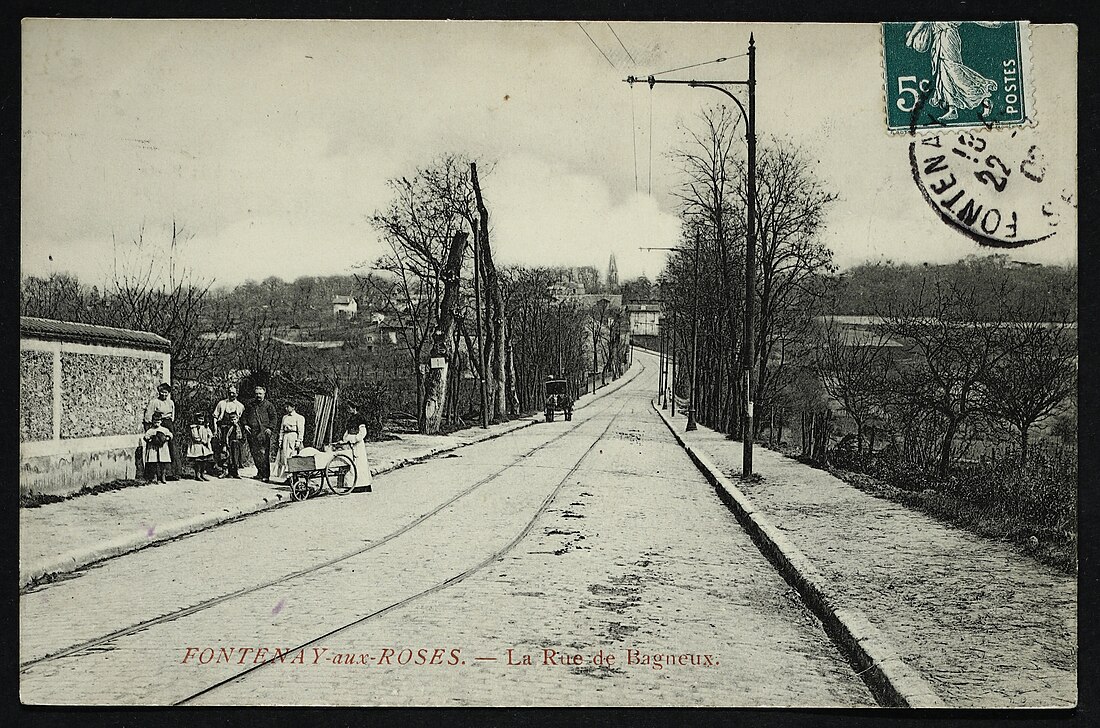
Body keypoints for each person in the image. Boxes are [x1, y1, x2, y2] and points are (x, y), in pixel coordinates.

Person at [905, 21, 1002, 121]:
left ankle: (984, 99)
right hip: (940, 37)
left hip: (947, 37)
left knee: (953, 72)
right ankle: (953, 109)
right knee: (944, 73)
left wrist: (911, 37)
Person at [244, 385, 279, 482]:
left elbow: (274, 418)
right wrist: (245, 425)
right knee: (254, 453)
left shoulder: (269, 405)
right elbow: (244, 416)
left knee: (263, 454)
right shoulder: (250, 405)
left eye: (260, 393)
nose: (258, 395)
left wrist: (270, 428)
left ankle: (266, 475)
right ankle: (259, 473)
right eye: (256, 394)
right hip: (252, 433)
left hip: (263, 433)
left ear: (264, 394)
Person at [143, 382, 176, 479]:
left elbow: (172, 415)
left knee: (171, 448)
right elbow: (148, 416)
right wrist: (150, 430)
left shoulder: (170, 402)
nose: (164, 394)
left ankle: (170, 474)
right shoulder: (154, 402)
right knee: (157, 450)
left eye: (166, 393)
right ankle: (155, 474)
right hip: (158, 425)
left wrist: (169, 425)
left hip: (168, 425)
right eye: (162, 392)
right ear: (159, 392)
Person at [212, 384, 245, 476]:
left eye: (233, 393)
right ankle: (224, 470)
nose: (231, 395)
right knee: (224, 449)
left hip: (234, 430)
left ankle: (234, 471)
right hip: (223, 429)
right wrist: (215, 429)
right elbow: (215, 417)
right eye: (229, 393)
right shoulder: (221, 403)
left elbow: (242, 419)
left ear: (237, 394)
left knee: (234, 449)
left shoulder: (240, 406)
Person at [340, 407, 373, 492]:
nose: (348, 410)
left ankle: (362, 486)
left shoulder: (360, 418)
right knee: (351, 464)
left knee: (359, 465)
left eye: (350, 408)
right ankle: (351, 485)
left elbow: (362, 433)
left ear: (354, 408)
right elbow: (347, 431)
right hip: (350, 444)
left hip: (358, 445)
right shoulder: (350, 418)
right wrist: (345, 439)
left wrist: (354, 439)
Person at [273, 403, 306, 482]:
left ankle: (294, 478)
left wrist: (298, 441)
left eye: (288, 407)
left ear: (293, 407)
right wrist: (280, 440)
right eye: (285, 406)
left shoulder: (299, 417)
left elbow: (301, 431)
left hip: (293, 437)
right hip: (285, 437)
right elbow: (281, 430)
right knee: (284, 457)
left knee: (292, 456)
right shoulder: (285, 417)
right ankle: (287, 477)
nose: (286, 408)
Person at [143, 412, 173, 484]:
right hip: (153, 448)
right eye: (155, 421)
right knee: (154, 463)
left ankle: (163, 477)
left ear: (161, 421)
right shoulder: (150, 430)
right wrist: (150, 439)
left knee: (163, 463)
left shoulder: (164, 429)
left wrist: (166, 438)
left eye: (158, 421)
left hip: (163, 448)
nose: (156, 423)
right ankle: (155, 477)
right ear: (152, 421)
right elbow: (146, 437)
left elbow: (170, 435)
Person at [186, 412, 214, 481]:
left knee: (204, 460)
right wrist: (201, 440)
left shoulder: (205, 427)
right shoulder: (194, 427)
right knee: (198, 460)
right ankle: (197, 474)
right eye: (199, 419)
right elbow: (195, 437)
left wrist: (208, 440)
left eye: (202, 419)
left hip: (205, 446)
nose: (201, 420)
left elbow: (210, 434)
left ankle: (202, 474)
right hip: (197, 445)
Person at [221, 411, 247, 479]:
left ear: (238, 419)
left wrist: (242, 442)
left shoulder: (240, 427)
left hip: (237, 445)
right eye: (231, 419)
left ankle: (236, 472)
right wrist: (224, 445)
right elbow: (225, 436)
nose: (233, 421)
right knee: (229, 458)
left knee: (236, 459)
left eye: (235, 419)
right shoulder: (228, 427)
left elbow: (243, 436)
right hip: (230, 444)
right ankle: (228, 472)